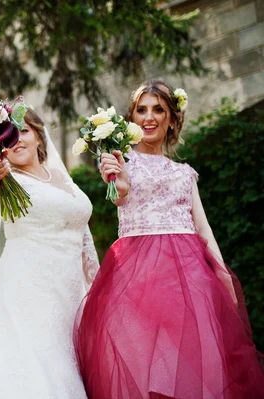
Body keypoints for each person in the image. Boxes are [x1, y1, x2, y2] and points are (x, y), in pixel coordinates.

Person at [74, 78, 264, 398]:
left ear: (172, 119)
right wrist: (117, 180)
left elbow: (202, 227)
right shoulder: (122, 161)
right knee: (144, 357)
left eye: (158, 109)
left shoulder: (185, 172)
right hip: (138, 274)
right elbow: (119, 195)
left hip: (190, 278)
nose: (149, 117)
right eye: (141, 110)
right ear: (131, 119)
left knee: (193, 357)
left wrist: (222, 272)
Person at [0, 109, 99, 398]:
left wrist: (96, 288)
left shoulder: (63, 179)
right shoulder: (4, 177)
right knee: (31, 366)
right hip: (25, 290)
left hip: (69, 292)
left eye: (23, 131)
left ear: (39, 135)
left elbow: (82, 234)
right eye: (8, 135)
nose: (17, 140)